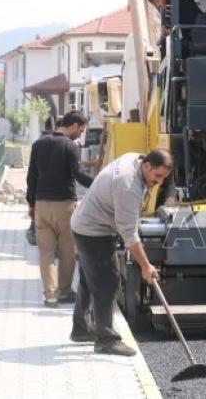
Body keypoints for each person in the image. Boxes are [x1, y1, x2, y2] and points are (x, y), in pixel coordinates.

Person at [69, 149, 173, 356]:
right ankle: (106, 340)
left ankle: (80, 329)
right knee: (108, 281)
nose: (159, 181)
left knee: (89, 280)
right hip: (94, 231)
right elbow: (129, 235)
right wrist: (145, 266)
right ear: (146, 166)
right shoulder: (128, 186)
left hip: (84, 223)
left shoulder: (135, 157)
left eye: (163, 178)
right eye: (157, 176)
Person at [26, 111, 93, 307]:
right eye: (80, 130)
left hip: (42, 206)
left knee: (45, 253)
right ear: (73, 126)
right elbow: (78, 175)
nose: (80, 135)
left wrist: (31, 203)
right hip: (65, 206)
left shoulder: (38, 144)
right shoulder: (70, 146)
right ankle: (64, 291)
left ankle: (50, 296)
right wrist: (98, 184)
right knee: (67, 251)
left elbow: (32, 177)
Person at [25, 116, 58, 246]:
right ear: (53, 126)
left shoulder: (40, 142)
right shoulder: (51, 143)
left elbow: (31, 176)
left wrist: (31, 200)